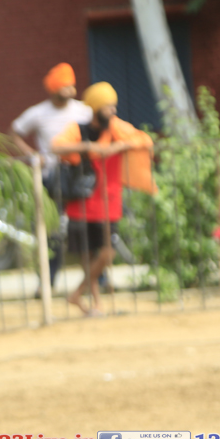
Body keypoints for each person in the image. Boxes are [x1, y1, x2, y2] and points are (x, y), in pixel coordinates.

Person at [51, 81, 155, 317]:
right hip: (82, 202)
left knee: (108, 253)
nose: (113, 111)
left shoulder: (116, 129)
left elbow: (144, 140)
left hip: (109, 202)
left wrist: (118, 146)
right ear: (97, 108)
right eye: (109, 107)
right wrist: (89, 147)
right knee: (87, 256)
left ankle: (77, 293)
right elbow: (56, 147)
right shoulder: (78, 130)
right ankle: (96, 304)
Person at [10, 63, 93, 289]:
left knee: (84, 227)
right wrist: (32, 155)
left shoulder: (83, 111)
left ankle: (97, 279)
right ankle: (47, 282)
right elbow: (15, 132)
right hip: (51, 178)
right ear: (54, 88)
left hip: (78, 177)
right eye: (65, 86)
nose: (70, 90)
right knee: (53, 231)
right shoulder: (38, 113)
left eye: (71, 85)